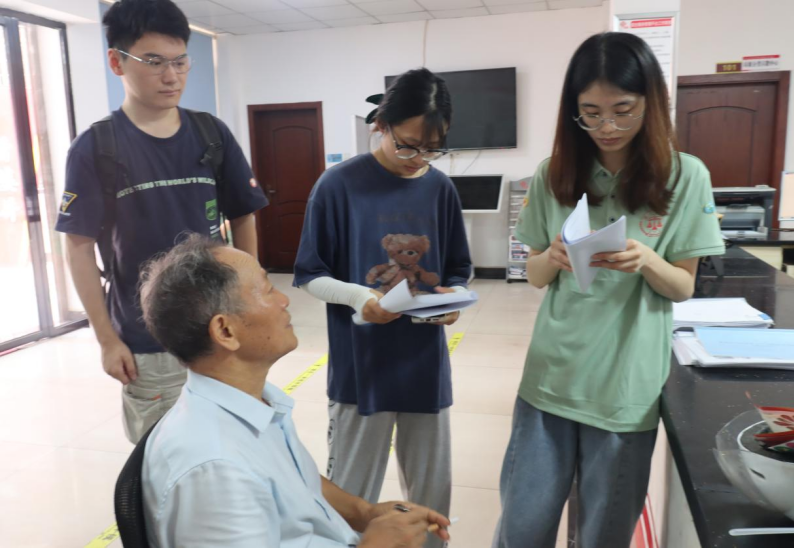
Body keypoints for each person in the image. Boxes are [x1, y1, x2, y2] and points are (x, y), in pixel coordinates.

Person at [493, 32, 726, 548]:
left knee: (603, 534)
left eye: (623, 110)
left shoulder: (685, 176)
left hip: (625, 389)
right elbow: (534, 276)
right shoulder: (553, 174)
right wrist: (552, 257)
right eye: (591, 113)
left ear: (651, 103)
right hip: (551, 379)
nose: (607, 127)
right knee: (522, 530)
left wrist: (647, 260)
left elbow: (683, 286)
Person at [138, 235, 451, 548]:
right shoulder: (215, 469)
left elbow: (295, 479)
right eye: (267, 289)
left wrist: (364, 512)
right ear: (225, 330)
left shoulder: (252, 401)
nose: (284, 300)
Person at [55, 0, 268, 443]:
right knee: (162, 457)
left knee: (233, 448)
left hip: (220, 330)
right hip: (146, 341)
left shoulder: (211, 134)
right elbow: (77, 247)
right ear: (117, 62)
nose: (172, 76)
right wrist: (107, 340)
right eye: (154, 62)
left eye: (180, 61)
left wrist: (249, 298)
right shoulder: (96, 147)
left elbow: (243, 215)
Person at [293, 68, 473, 548]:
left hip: (424, 368)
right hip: (361, 370)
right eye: (408, 146)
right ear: (381, 125)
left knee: (431, 504)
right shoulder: (338, 185)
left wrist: (452, 299)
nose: (419, 160)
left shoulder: (440, 189)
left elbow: (458, 269)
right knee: (350, 503)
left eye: (432, 149)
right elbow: (310, 274)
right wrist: (360, 297)